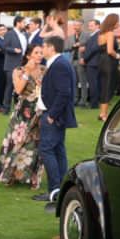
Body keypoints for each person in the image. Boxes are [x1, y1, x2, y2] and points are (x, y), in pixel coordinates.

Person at [35, 36, 77, 209]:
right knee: (58, 149)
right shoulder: (58, 63)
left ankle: (54, 189)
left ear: (51, 48)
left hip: (53, 116)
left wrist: (52, 114)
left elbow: (64, 92)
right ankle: (60, 188)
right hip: (53, 114)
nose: (42, 49)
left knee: (46, 149)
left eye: (44, 46)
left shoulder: (59, 64)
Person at [0, 44, 45, 187]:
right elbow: (18, 89)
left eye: (41, 53)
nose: (39, 55)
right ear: (28, 55)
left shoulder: (45, 70)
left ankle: (32, 178)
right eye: (36, 52)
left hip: (39, 111)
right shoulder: (19, 70)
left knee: (35, 145)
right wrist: (27, 72)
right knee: (17, 143)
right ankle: (9, 175)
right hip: (23, 114)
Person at [0, 16, 32, 112]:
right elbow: (4, 47)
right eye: (23, 22)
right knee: (10, 86)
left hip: (23, 64)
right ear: (18, 23)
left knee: (21, 87)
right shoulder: (9, 34)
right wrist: (14, 50)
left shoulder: (25, 34)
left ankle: (19, 107)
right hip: (11, 64)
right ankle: (6, 108)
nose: (25, 24)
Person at [95, 13, 120, 121]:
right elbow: (110, 50)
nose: (119, 23)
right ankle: (103, 114)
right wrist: (118, 56)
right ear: (113, 22)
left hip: (101, 62)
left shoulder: (101, 34)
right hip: (109, 62)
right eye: (118, 21)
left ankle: (102, 113)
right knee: (108, 87)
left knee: (104, 87)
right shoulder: (110, 33)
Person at [79, 19, 103, 109]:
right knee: (95, 83)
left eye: (91, 25)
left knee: (93, 84)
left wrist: (84, 58)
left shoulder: (97, 35)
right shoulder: (94, 35)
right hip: (94, 62)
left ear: (97, 26)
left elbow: (93, 49)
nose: (89, 27)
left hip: (93, 62)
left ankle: (94, 103)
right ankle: (95, 102)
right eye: (89, 25)